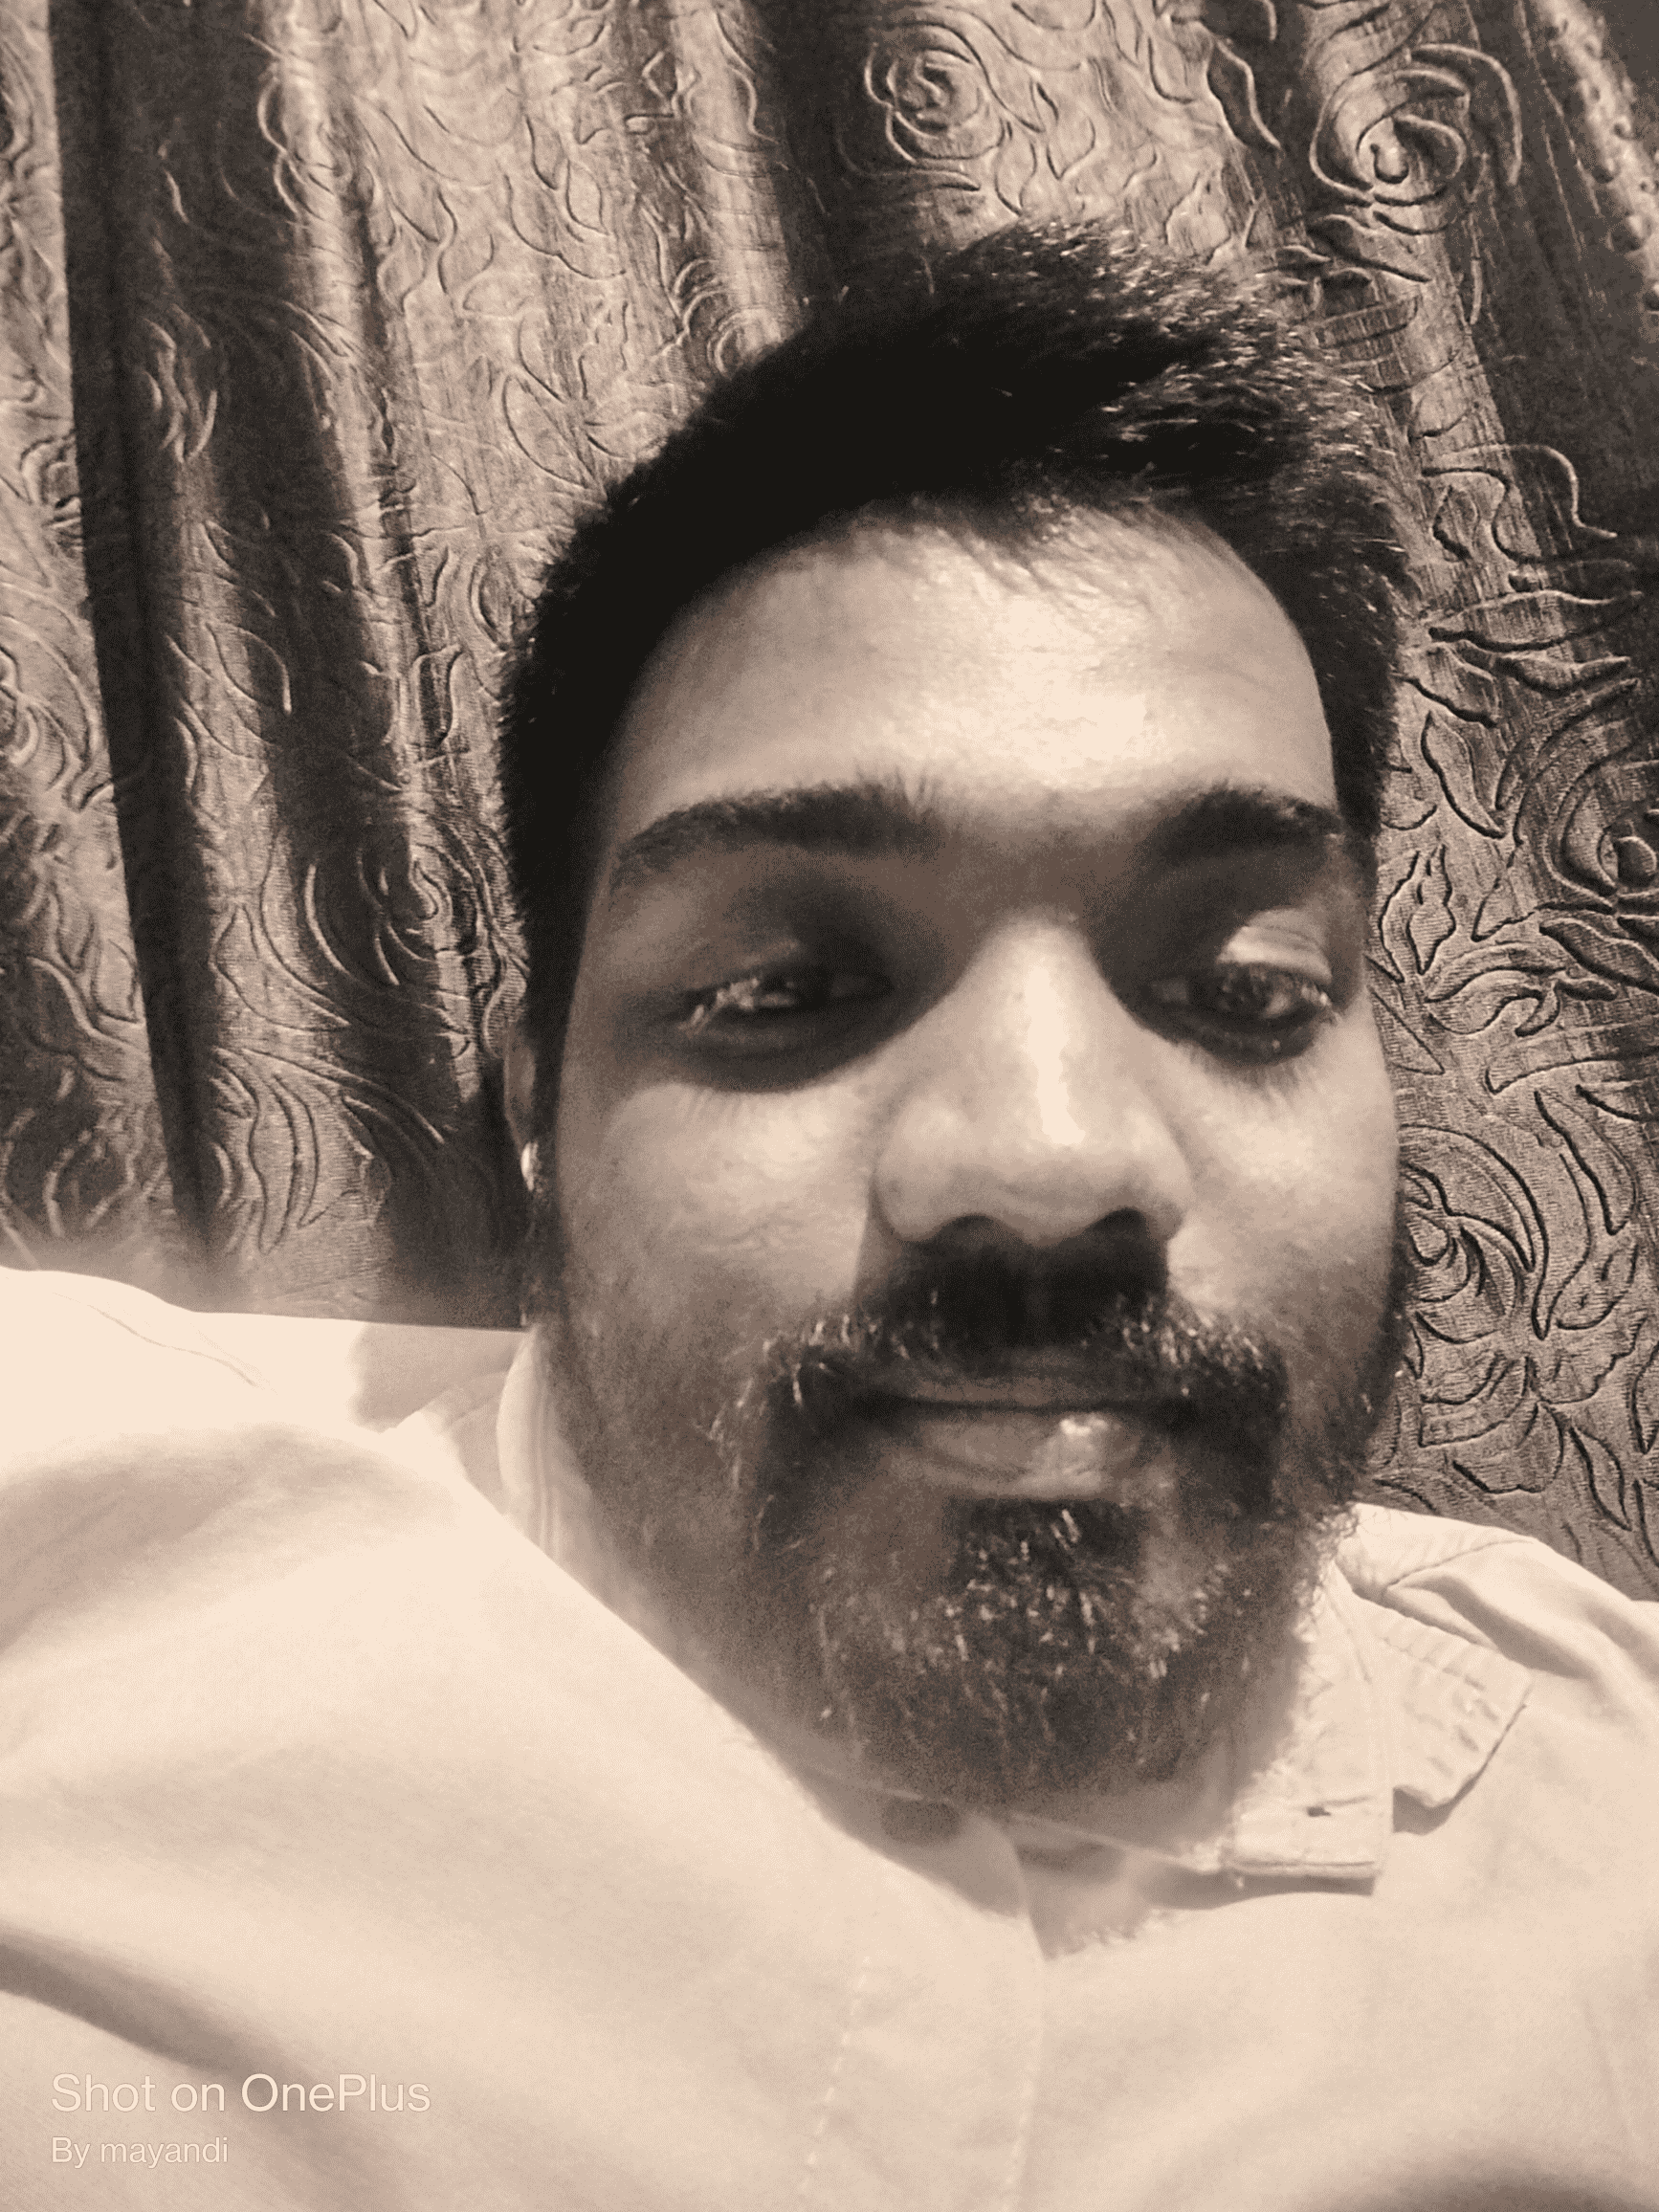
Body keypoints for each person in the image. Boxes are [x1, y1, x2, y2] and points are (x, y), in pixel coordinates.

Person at [1, 226, 1655, 2211]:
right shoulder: (72, 1547)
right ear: (533, 1108)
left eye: (1244, 989)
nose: (1047, 1162)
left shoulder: (1613, 1812)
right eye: (784, 987)